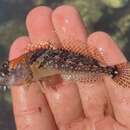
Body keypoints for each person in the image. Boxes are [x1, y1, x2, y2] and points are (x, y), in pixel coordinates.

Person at [9, 5, 130, 130]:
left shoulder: (27, 68)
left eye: (8, 72)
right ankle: (112, 71)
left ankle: (113, 72)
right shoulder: (27, 67)